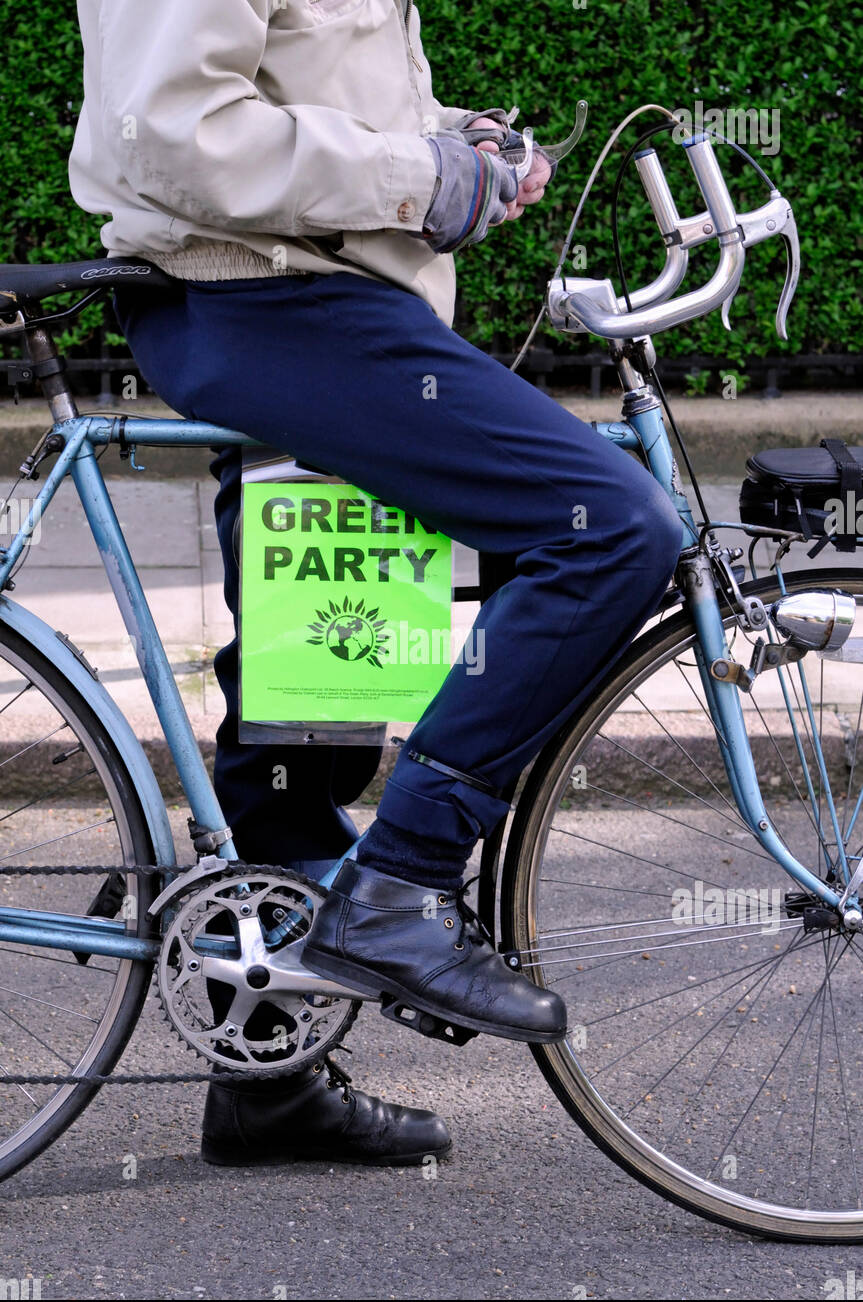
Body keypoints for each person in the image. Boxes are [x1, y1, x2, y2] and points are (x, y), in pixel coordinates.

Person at [69, 0, 682, 1168]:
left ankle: (269, 1079)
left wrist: (464, 148)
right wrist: (424, 176)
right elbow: (173, 127)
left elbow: (317, 94)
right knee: (608, 524)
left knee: (312, 687)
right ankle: (397, 890)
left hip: (316, 299)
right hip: (262, 299)